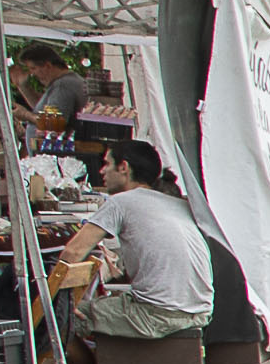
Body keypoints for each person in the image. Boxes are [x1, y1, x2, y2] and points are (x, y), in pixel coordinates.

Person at [60, 133, 215, 341]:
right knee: (110, 304)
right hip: (200, 312)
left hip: (158, 315)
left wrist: (57, 300)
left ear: (124, 167)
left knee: (66, 319)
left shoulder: (121, 202)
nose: (101, 171)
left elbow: (73, 252)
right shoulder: (178, 204)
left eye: (107, 164)